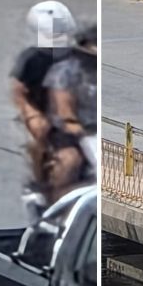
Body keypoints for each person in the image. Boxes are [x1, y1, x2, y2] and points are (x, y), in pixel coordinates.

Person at [9, 1, 77, 195]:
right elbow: (18, 90)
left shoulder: (72, 58)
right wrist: (32, 115)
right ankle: (43, 189)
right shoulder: (32, 59)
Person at [43, 23, 97, 202]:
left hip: (97, 130)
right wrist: (82, 133)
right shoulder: (66, 72)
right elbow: (64, 111)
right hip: (70, 131)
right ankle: (57, 205)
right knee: (69, 161)